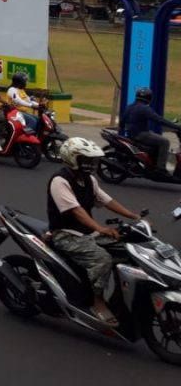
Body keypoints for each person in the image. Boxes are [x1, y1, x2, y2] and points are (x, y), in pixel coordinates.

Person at [48, 137, 143, 326]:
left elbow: (108, 201)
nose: (91, 164)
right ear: (72, 158)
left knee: (129, 252)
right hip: (66, 235)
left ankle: (118, 299)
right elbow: (77, 211)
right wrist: (100, 229)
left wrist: (134, 217)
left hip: (88, 234)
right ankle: (97, 302)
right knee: (102, 259)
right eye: (87, 160)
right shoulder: (60, 181)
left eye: (93, 160)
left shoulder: (89, 180)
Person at [120, 87, 181, 173]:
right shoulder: (145, 109)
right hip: (141, 135)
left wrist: (123, 128)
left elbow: (122, 121)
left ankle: (153, 162)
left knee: (154, 135)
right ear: (149, 98)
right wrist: (176, 126)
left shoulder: (129, 107)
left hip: (131, 134)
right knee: (165, 142)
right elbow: (159, 119)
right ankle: (161, 168)